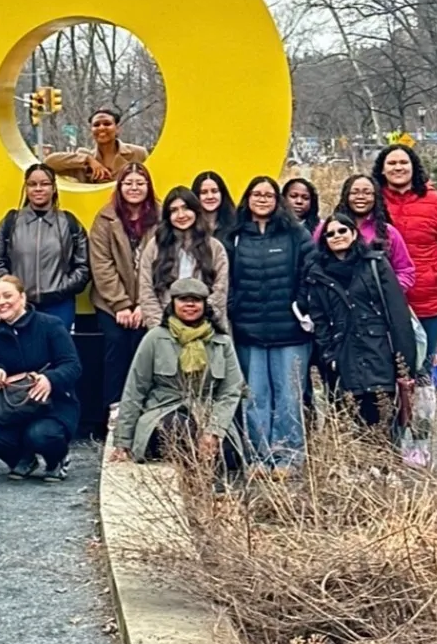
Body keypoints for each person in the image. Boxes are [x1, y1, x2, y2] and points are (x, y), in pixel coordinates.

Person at [302, 213, 423, 437]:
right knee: (352, 425)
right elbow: (320, 322)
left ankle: (388, 468)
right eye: (330, 233)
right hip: (344, 358)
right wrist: (329, 357)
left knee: (385, 422)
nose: (337, 236)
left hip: (379, 354)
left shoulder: (376, 265)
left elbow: (397, 316)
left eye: (342, 230)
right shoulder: (317, 274)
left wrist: (405, 364)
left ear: (354, 233)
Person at [227, 176, 313, 475]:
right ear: (247, 199)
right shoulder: (235, 236)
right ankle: (258, 457)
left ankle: (289, 457)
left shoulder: (295, 234)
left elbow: (310, 271)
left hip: (290, 332)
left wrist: (300, 305)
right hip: (249, 331)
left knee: (289, 396)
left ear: (277, 200)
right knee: (255, 396)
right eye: (256, 194)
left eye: (268, 194)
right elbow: (225, 280)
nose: (262, 199)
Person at [109, 278, 244, 468]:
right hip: (164, 410)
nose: (190, 304)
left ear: (205, 305)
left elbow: (231, 391)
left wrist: (215, 430)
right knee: (181, 429)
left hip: (208, 411)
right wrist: (122, 441)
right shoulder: (155, 338)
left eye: (196, 300)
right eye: (183, 299)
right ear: (173, 304)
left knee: (227, 452)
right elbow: (135, 389)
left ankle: (212, 492)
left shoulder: (222, 342)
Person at [373, 145, 437, 389]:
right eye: (391, 163)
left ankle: (423, 422)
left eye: (403, 162)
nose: (398, 168)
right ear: (382, 170)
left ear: (414, 166)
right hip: (380, 301)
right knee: (387, 367)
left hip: (427, 300)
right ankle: (394, 423)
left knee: (422, 367)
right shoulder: (371, 203)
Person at [0, 275, 83, 482]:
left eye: (7, 296)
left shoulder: (51, 325)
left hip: (52, 406)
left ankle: (57, 460)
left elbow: (73, 366)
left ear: (23, 298)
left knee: (40, 435)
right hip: (13, 408)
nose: (1, 302)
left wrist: (50, 379)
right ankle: (23, 459)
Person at [90, 163, 159, 418]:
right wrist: (121, 304)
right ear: (119, 187)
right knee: (117, 346)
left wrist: (143, 303)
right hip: (111, 304)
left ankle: (144, 408)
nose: (134, 188)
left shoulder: (160, 218)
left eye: (140, 183)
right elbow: (101, 264)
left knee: (145, 349)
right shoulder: (105, 218)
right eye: (128, 183)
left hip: (149, 302)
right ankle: (115, 407)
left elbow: (163, 263)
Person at [0, 164, 90, 330]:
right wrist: (12, 292)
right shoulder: (11, 222)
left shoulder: (69, 223)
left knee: (57, 353)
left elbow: (83, 265)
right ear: (26, 188)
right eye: (32, 184)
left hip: (59, 306)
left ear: (54, 187)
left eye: (44, 184)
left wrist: (62, 289)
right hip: (19, 306)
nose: (38, 189)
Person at [137, 187, 229, 330]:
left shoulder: (214, 247)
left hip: (207, 330)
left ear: (196, 210)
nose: (181, 215)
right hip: (165, 329)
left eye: (185, 208)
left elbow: (220, 291)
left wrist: (201, 326)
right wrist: (161, 329)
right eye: (174, 210)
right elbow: (146, 291)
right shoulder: (155, 247)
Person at [330, 173, 415, 291]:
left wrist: (387, 292)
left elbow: (405, 271)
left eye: (367, 193)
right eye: (354, 192)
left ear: (376, 197)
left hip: (376, 305)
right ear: (346, 196)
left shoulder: (388, 232)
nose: (360, 196)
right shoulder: (330, 230)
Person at [44, 108, 149, 184]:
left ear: (117, 129)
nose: (101, 128)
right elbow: (49, 162)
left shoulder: (138, 154)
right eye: (96, 125)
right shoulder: (81, 160)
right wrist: (88, 159)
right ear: (91, 130)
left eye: (107, 124)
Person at [192, 170, 237, 238]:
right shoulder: (190, 227)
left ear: (222, 194)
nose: (210, 196)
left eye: (214, 191)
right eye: (204, 192)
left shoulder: (236, 225)